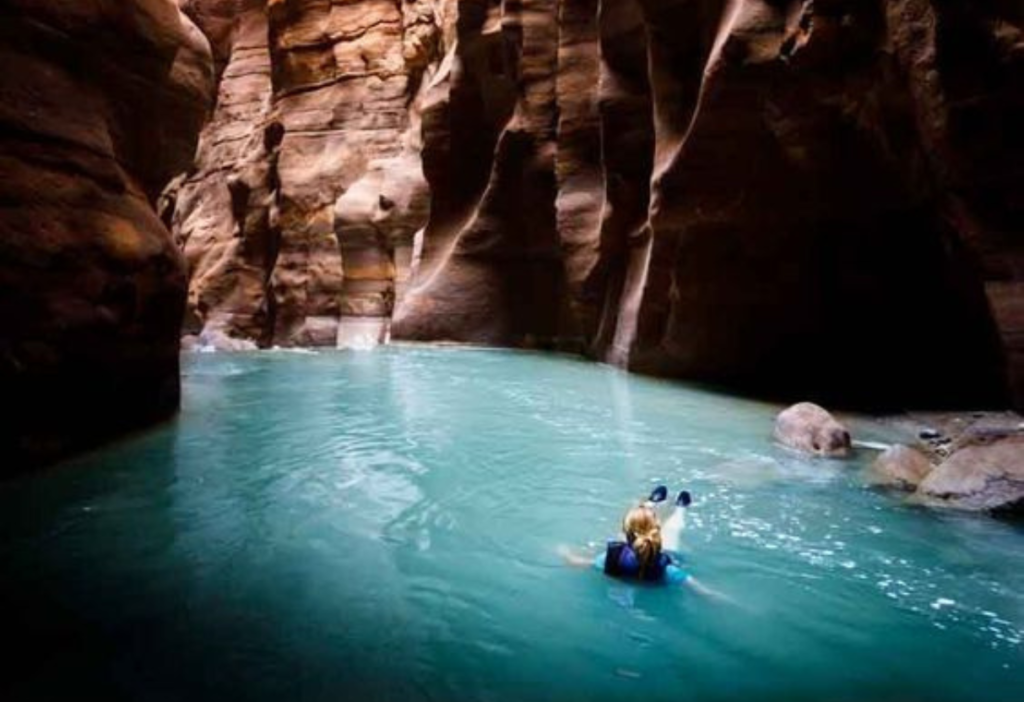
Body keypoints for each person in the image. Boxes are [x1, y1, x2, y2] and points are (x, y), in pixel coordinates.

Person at [560, 486, 722, 598]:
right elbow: (705, 592)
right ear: (655, 532)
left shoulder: (609, 560)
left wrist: (563, 551)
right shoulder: (668, 571)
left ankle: (651, 503)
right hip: (665, 553)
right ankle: (680, 508)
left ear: (627, 533)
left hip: (636, 547)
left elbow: (578, 562)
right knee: (673, 529)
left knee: (634, 529)